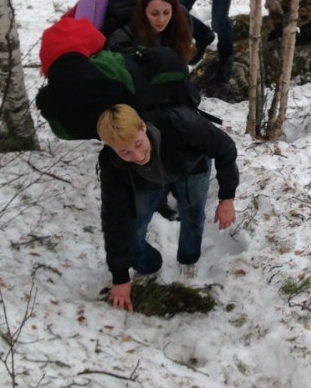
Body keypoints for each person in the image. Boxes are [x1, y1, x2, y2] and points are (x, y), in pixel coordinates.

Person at [96, 103, 239, 312]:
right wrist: (120, 277)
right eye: (124, 152)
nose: (137, 156)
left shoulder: (182, 125)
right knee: (132, 227)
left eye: (137, 144)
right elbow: (114, 217)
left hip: (190, 166)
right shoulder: (113, 163)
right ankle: (148, 265)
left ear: (143, 127)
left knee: (192, 215)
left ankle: (188, 259)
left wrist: (227, 198)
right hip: (146, 179)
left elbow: (225, 148)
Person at [107, 0, 213, 65]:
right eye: (154, 14)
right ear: (143, 12)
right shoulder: (122, 37)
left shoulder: (182, 21)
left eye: (167, 12)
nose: (161, 19)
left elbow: (185, 59)